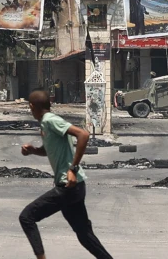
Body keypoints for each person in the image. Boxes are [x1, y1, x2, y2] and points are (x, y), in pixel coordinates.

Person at [18, 90, 113, 259]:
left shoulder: (50, 120)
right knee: (85, 235)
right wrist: (33, 151)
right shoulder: (46, 123)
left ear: (32, 107)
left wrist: (72, 169)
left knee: (27, 217)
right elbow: (50, 150)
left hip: (67, 186)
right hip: (75, 187)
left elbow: (83, 135)